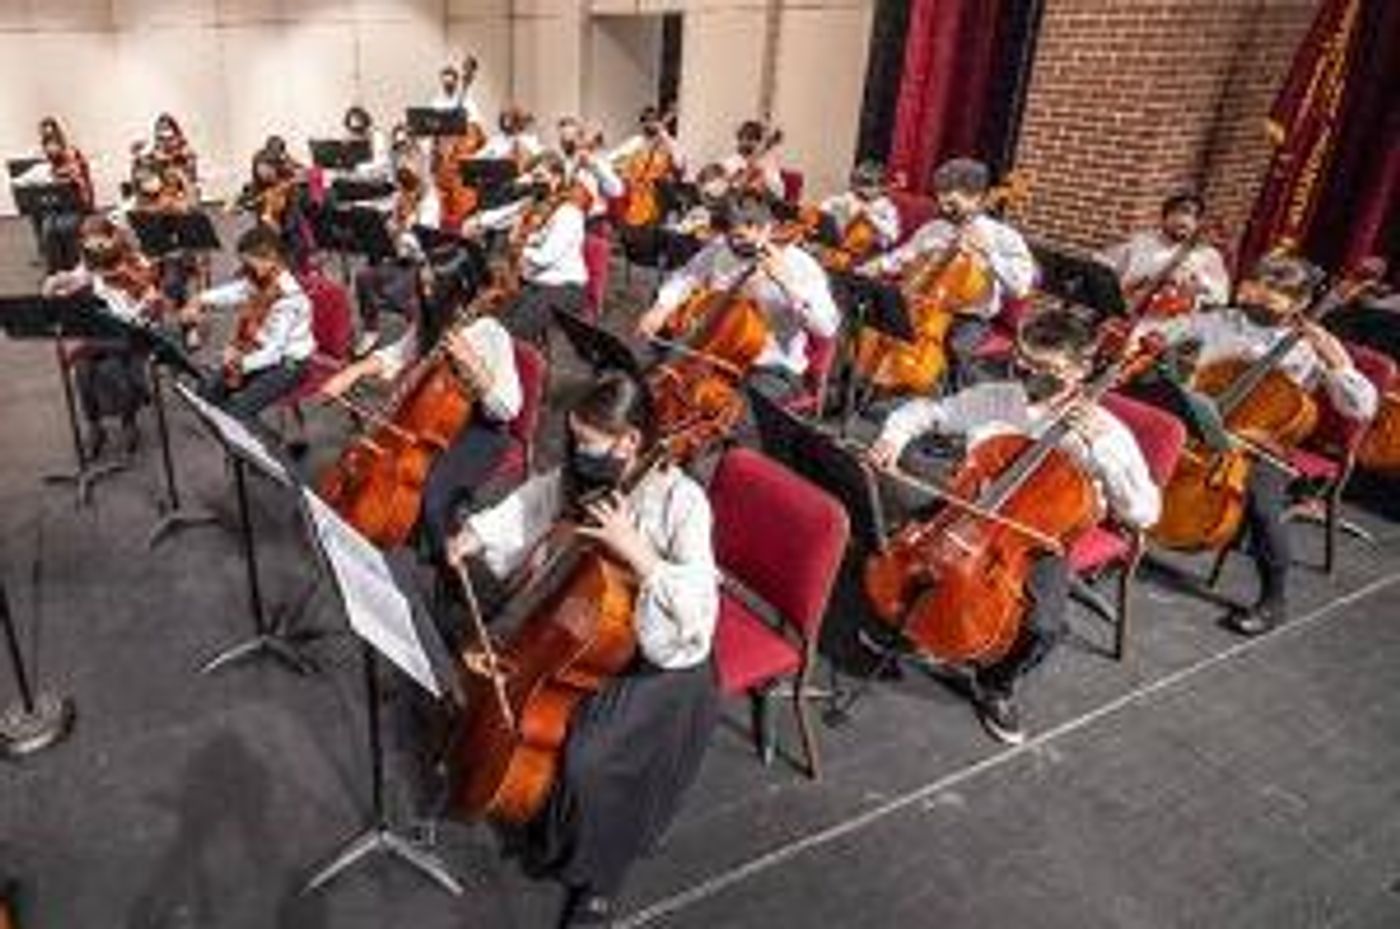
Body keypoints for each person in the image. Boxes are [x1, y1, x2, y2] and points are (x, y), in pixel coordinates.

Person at [446, 372, 719, 927]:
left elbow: (697, 611)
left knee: (591, 757)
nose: (577, 452)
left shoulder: (682, 501)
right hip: (598, 631)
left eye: (589, 442)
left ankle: (600, 878)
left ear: (630, 441)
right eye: (575, 437)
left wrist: (638, 552)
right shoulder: (591, 475)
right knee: (537, 696)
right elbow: (541, 496)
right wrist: (478, 534)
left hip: (667, 661)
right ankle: (548, 819)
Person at [867, 306, 1161, 744]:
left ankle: (996, 684)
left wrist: (1101, 449)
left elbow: (1144, 513)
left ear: (1082, 369)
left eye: (1044, 368)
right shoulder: (1001, 397)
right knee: (908, 542)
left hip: (1034, 536)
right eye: (1022, 360)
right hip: (974, 505)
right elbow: (930, 411)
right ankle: (910, 627)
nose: (1026, 375)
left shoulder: (1107, 433)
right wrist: (892, 436)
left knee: (1043, 626)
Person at [1135, 252, 1378, 635]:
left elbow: (1362, 407)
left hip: (1261, 443)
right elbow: (1155, 336)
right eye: (1257, 287)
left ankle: (1273, 600)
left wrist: (1337, 365)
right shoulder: (1221, 319)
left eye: (1274, 294)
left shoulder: (1313, 344)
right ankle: (1122, 544)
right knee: (1136, 445)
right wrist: (1148, 340)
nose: (1259, 298)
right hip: (1204, 420)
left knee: (1264, 509)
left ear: (1299, 303)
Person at [320, 258, 521, 557]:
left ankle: (445, 565)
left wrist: (474, 365)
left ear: (455, 291)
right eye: (421, 283)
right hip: (430, 417)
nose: (421, 293)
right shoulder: (433, 317)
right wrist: (353, 371)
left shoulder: (491, 334)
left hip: (481, 428)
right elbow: (399, 353)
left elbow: (508, 408)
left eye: (431, 287)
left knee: (431, 497)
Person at [637, 190, 841, 403]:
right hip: (715, 354)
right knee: (661, 388)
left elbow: (826, 328)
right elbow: (688, 275)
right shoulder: (722, 247)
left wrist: (788, 283)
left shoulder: (801, 266)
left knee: (740, 418)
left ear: (767, 228)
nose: (734, 245)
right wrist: (660, 308)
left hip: (771, 367)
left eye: (742, 237)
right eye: (730, 237)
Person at [860, 157, 1036, 390]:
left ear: (977, 198)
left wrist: (989, 253)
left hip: (970, 316)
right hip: (923, 303)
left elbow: (1021, 286)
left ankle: (955, 402)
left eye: (952, 203)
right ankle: (871, 386)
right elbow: (904, 255)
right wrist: (876, 266)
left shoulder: (1003, 237)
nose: (943, 208)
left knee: (956, 347)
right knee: (877, 321)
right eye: (941, 200)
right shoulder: (935, 228)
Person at [40, 216, 157, 456]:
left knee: (111, 364)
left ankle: (128, 421)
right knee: (83, 369)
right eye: (87, 243)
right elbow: (77, 276)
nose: (92, 247)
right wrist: (56, 281)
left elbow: (147, 301)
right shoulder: (91, 259)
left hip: (131, 331)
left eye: (98, 242)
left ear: (112, 236)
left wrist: (124, 279)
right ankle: (95, 425)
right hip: (102, 331)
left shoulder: (136, 261)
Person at [187, 226, 315, 419]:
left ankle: (254, 443)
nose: (246, 268)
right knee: (206, 391)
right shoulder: (259, 278)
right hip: (257, 349)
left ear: (271, 259)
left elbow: (273, 353)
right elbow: (236, 291)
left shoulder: (289, 298)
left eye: (249, 262)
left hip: (289, 363)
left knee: (236, 413)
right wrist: (200, 299)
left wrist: (236, 363)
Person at [463, 152, 589, 345]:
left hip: (563, 287)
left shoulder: (569, 212)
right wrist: (477, 221)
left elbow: (546, 257)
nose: (534, 183)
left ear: (557, 178)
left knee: (509, 333)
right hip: (531, 282)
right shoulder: (531, 203)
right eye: (532, 178)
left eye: (539, 177)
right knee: (490, 321)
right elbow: (502, 215)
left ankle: (509, 369)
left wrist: (515, 245)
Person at [1095, 191, 1231, 316]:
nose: (1185, 220)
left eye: (1193, 217)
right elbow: (1102, 265)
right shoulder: (1140, 243)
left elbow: (1222, 297)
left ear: (1197, 224)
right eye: (1180, 213)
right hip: (1127, 315)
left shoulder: (1207, 256)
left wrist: (1197, 282)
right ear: (1165, 217)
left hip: (1173, 328)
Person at [16, 118, 94, 272]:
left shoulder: (72, 156)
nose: (51, 148)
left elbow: (83, 188)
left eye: (54, 144)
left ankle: (74, 264)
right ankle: (55, 267)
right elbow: (23, 180)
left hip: (74, 207)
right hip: (55, 207)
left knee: (64, 226)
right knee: (48, 227)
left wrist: (73, 177)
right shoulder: (44, 165)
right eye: (48, 145)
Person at [814, 160, 901, 266]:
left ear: (881, 187)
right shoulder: (852, 197)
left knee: (863, 230)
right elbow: (829, 204)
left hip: (865, 252)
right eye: (859, 184)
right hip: (839, 242)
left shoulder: (887, 208)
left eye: (868, 184)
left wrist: (870, 217)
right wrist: (826, 208)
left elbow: (893, 235)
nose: (861, 190)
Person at [720, 120, 784, 201]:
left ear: (758, 143)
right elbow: (722, 189)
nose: (745, 143)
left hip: (760, 206)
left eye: (750, 139)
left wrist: (763, 182)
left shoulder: (768, 162)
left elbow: (779, 192)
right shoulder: (730, 162)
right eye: (742, 138)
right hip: (735, 206)